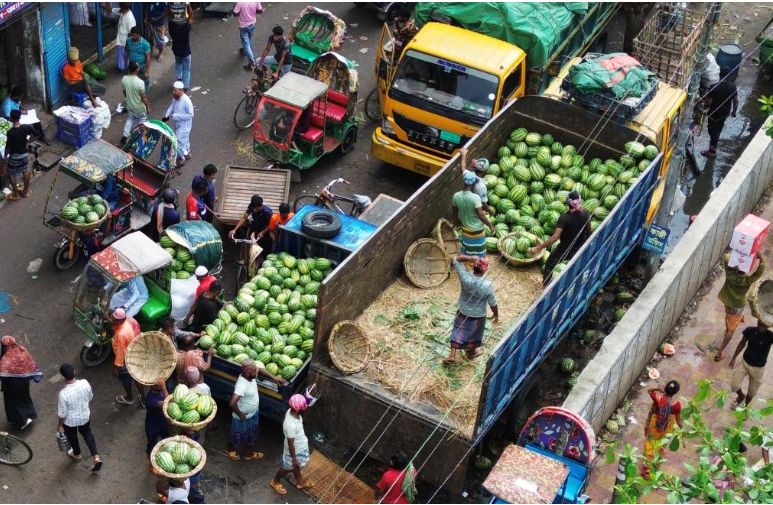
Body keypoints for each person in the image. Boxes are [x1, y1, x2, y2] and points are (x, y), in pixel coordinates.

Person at [443, 254, 498, 365]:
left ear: (473, 266)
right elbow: (492, 302)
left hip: (463, 310)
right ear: (485, 269)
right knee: (475, 334)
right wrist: (496, 314)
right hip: (478, 316)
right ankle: (471, 352)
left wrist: (469, 258)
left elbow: (456, 259)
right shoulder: (487, 285)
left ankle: (452, 355)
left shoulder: (465, 278)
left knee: (457, 329)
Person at [228, 359, 286, 461]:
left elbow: (260, 370)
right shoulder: (242, 385)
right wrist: (240, 414)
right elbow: (232, 403)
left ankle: (248, 454)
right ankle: (229, 448)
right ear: (247, 371)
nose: (257, 372)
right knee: (238, 436)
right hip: (242, 417)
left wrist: (274, 377)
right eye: (254, 371)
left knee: (252, 434)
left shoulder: (252, 374)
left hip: (253, 413)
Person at [530, 191, 591, 285]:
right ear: (579, 201)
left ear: (567, 203)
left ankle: (546, 286)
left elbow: (555, 237)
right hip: (579, 248)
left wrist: (538, 248)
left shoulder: (564, 218)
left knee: (550, 264)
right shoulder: (586, 214)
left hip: (564, 249)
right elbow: (589, 232)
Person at [714, 251, 765, 361]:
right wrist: (760, 258)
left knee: (728, 319)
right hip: (738, 306)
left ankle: (726, 331)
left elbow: (726, 257)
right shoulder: (747, 280)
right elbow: (759, 272)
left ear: (737, 269)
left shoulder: (731, 275)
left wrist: (737, 257)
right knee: (732, 329)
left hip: (728, 302)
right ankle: (720, 351)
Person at [57, 363, 102, 472]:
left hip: (70, 421)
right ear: (74, 372)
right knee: (87, 433)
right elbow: (90, 397)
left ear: (63, 377)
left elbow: (62, 413)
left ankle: (77, 454)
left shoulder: (63, 394)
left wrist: (60, 425)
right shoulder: (85, 383)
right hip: (84, 416)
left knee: (72, 437)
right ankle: (96, 457)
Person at [269, 394, 313, 495]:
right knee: (287, 467)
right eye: (303, 407)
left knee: (295, 466)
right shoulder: (290, 425)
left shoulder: (292, 412)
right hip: (294, 451)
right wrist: (294, 458)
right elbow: (291, 444)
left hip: (299, 447)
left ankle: (300, 482)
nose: (304, 409)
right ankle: (275, 481)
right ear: (298, 409)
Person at [642, 380, 683, 479]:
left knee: (650, 445)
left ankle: (647, 472)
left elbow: (649, 391)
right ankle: (656, 465)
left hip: (655, 426)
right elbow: (678, 419)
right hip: (667, 428)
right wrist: (681, 428)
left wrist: (658, 389)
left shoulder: (658, 398)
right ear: (675, 392)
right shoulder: (677, 405)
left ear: (665, 389)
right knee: (661, 445)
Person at [0, 336, 42, 430]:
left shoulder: (5, 359)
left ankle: (22, 420)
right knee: (25, 398)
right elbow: (30, 362)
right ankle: (30, 414)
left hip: (12, 386)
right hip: (24, 381)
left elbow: (3, 376)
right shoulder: (22, 349)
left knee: (15, 403)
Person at [729, 321, 773, 407]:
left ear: (768, 326)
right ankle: (741, 396)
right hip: (745, 363)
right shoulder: (749, 330)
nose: (760, 326)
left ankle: (745, 407)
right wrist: (734, 358)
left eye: (763, 325)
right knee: (734, 384)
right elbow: (742, 343)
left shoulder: (771, 336)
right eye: (759, 323)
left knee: (752, 391)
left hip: (758, 369)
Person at [452, 170, 494, 257]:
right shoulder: (475, 198)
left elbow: (455, 213)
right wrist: (490, 225)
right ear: (473, 183)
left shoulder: (456, 196)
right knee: (479, 251)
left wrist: (455, 225)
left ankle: (469, 262)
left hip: (465, 229)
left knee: (468, 248)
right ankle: (479, 265)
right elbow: (481, 215)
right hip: (477, 230)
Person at [701, 67, 738, 158]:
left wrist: (704, 106)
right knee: (718, 129)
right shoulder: (733, 86)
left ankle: (712, 152)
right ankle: (712, 149)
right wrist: (734, 111)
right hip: (725, 113)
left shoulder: (714, 86)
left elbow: (709, 103)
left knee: (713, 132)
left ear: (719, 74)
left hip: (714, 114)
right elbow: (736, 101)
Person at [111, 308, 146, 406]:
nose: (114, 321)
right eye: (113, 318)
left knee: (125, 379)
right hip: (135, 354)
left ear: (121, 320)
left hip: (126, 360)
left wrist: (116, 367)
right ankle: (144, 399)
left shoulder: (121, 335)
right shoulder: (130, 320)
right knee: (137, 378)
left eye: (116, 320)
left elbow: (120, 354)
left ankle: (129, 398)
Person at [4, 109, 39, 201]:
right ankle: (25, 191)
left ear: (11, 118)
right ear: (19, 117)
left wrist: (5, 157)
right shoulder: (27, 127)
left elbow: (8, 147)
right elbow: (37, 134)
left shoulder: (10, 132)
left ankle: (16, 195)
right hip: (24, 155)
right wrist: (29, 142)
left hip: (14, 156)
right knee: (24, 170)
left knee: (11, 174)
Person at [163, 81, 194, 165]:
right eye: (173, 90)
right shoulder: (175, 98)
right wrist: (167, 115)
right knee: (185, 140)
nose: (173, 92)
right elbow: (172, 107)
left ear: (181, 90)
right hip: (177, 124)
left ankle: (181, 158)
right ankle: (187, 153)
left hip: (184, 125)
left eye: (175, 91)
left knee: (179, 141)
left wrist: (176, 116)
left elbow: (191, 114)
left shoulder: (186, 101)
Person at [121, 61, 150, 145]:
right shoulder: (140, 82)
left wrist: (127, 99)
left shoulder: (124, 79)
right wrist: (147, 107)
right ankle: (140, 137)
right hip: (139, 107)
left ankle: (125, 135)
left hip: (130, 106)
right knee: (142, 120)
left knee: (130, 119)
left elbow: (124, 92)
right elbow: (143, 97)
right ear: (137, 69)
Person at [167, 7, 192, 90]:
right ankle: (185, 86)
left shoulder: (172, 28)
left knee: (178, 64)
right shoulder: (186, 29)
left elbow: (169, 18)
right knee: (186, 69)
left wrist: (170, 9)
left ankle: (179, 78)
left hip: (176, 52)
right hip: (186, 52)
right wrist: (188, 6)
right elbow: (191, 17)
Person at [459, 149, 491, 213]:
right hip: (474, 209)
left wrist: (463, 155)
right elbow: (483, 205)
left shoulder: (469, 175)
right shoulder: (481, 186)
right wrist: (490, 211)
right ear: (485, 171)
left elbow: (463, 168)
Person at [233, 2, 263, 70]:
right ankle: (244, 50)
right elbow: (260, 10)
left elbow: (235, 14)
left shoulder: (240, 2)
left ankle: (251, 62)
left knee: (246, 43)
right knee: (249, 39)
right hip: (252, 23)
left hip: (243, 25)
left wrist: (235, 5)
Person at [107, 2, 136, 71]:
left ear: (122, 7)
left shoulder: (129, 18)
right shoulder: (123, 11)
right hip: (121, 39)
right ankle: (121, 67)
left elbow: (131, 32)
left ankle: (124, 68)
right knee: (121, 54)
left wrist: (128, 43)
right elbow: (113, 10)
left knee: (124, 55)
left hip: (125, 41)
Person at [145, 380, 170, 458]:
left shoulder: (160, 391)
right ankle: (151, 463)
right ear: (154, 386)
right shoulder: (150, 399)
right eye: (160, 383)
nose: (163, 382)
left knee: (167, 441)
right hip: (152, 427)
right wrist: (163, 388)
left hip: (163, 423)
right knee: (152, 446)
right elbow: (168, 404)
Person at [125, 27, 152, 92]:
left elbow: (148, 57)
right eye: (131, 35)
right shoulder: (128, 41)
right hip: (131, 66)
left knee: (145, 82)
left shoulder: (145, 44)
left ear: (139, 35)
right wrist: (126, 62)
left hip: (142, 66)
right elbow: (126, 51)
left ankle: (145, 95)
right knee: (132, 82)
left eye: (134, 35)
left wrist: (147, 71)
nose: (132, 37)